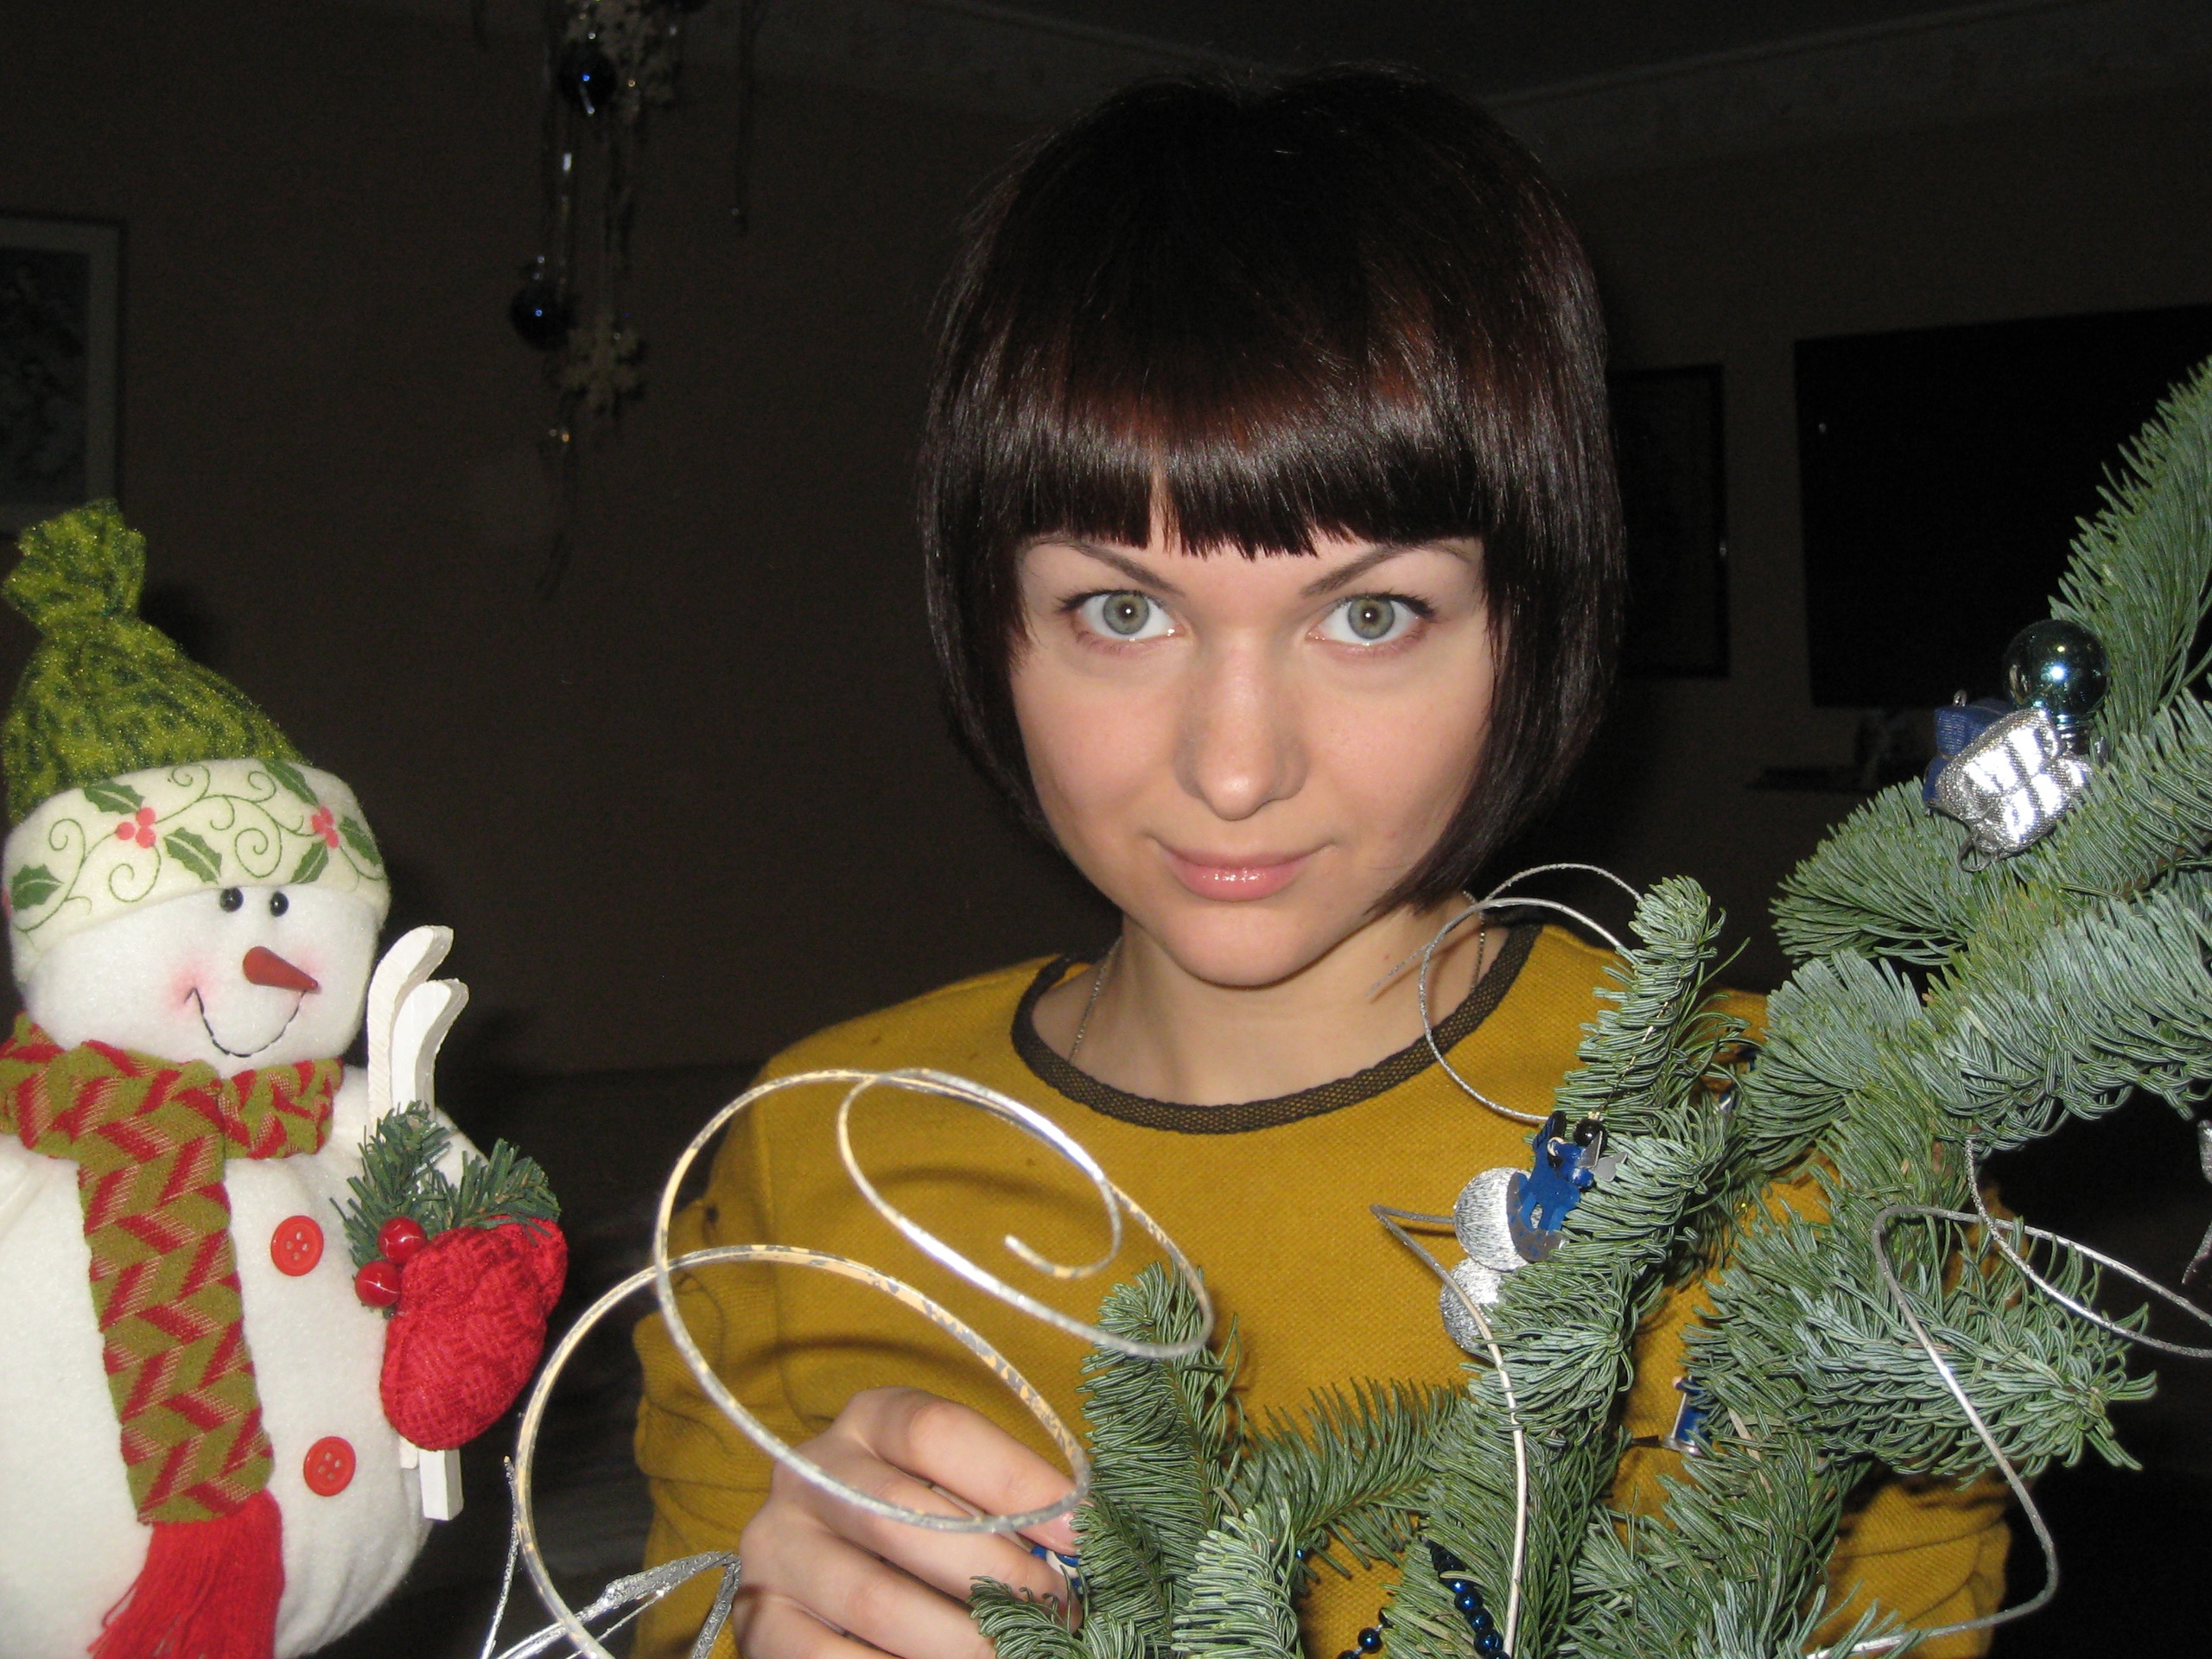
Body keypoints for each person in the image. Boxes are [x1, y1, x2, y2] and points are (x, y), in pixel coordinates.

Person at [632, 68, 2007, 1659]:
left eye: (1370, 614)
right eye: (1121, 611)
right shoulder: (808, 1161)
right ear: (988, 620)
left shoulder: (1801, 1151)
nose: (1234, 770)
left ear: (1534, 621)